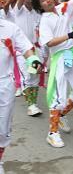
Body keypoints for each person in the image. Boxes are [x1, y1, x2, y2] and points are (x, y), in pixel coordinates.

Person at [34, 0, 73, 148]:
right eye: (43, 0)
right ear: (40, 6)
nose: (47, 1)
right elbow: (49, 42)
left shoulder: (63, 8)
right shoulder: (45, 20)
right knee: (58, 96)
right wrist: (69, 36)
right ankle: (52, 133)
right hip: (60, 57)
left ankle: (62, 114)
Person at [0, 18, 41, 173]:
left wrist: (33, 60)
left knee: (2, 130)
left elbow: (25, 48)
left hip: (4, 83)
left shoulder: (10, 28)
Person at [11, 0, 43, 116]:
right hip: (22, 52)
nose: (28, 1)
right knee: (27, 77)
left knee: (34, 77)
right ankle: (31, 105)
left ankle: (33, 103)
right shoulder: (17, 11)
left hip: (35, 51)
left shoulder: (37, 13)